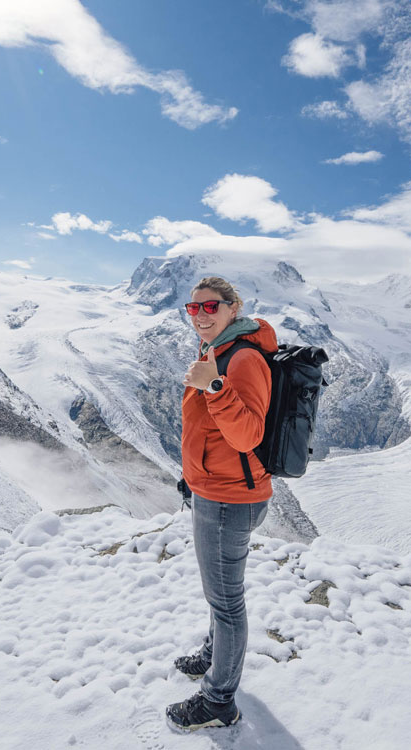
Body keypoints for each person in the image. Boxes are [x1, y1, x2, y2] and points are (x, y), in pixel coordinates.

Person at [165, 276, 278, 732]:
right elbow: (208, 433)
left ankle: (218, 702)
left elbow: (247, 434)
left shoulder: (244, 358)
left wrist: (214, 387)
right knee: (221, 594)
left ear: (234, 308)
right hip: (214, 489)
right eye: (193, 309)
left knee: (227, 603)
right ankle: (215, 655)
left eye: (211, 307)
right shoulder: (218, 350)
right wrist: (191, 476)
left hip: (230, 499)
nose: (201, 316)